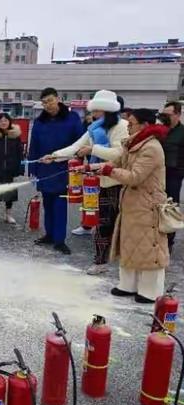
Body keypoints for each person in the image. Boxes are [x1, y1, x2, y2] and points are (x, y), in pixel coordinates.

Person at [45, 90, 129, 274]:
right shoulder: (94, 128)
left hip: (116, 182)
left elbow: (119, 154)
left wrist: (93, 149)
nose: (92, 114)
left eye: (96, 110)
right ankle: (101, 261)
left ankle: (114, 262)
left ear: (106, 110)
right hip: (97, 179)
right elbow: (76, 147)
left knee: (110, 224)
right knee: (101, 223)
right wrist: (54, 156)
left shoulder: (122, 126)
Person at [97, 109, 169, 303]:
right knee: (129, 243)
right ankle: (128, 284)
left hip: (148, 204)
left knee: (149, 247)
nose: (127, 127)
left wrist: (109, 170)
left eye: (131, 124)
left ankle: (149, 290)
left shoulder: (151, 147)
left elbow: (135, 177)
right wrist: (90, 168)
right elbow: (115, 163)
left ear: (144, 125)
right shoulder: (133, 144)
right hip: (132, 204)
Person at [28, 87, 84, 255]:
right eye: (44, 102)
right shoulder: (40, 121)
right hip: (44, 168)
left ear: (58, 99)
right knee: (47, 202)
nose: (48, 105)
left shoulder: (71, 118)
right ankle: (50, 234)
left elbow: (79, 143)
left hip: (63, 168)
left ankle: (60, 240)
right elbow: (34, 146)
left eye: (50, 101)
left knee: (60, 204)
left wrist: (77, 164)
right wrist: (33, 168)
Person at [0, 113, 24, 224]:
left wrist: (20, 168)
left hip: (10, 169)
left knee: (10, 193)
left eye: (5, 120)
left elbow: (20, 153)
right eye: (1, 121)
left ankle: (8, 215)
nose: (3, 123)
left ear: (9, 122)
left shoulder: (15, 136)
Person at [159, 101, 184, 254]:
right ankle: (157, 236)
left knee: (170, 206)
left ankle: (169, 240)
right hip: (157, 173)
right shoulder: (160, 130)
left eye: (168, 115)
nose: (165, 117)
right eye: (164, 115)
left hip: (174, 174)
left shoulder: (182, 132)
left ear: (178, 114)